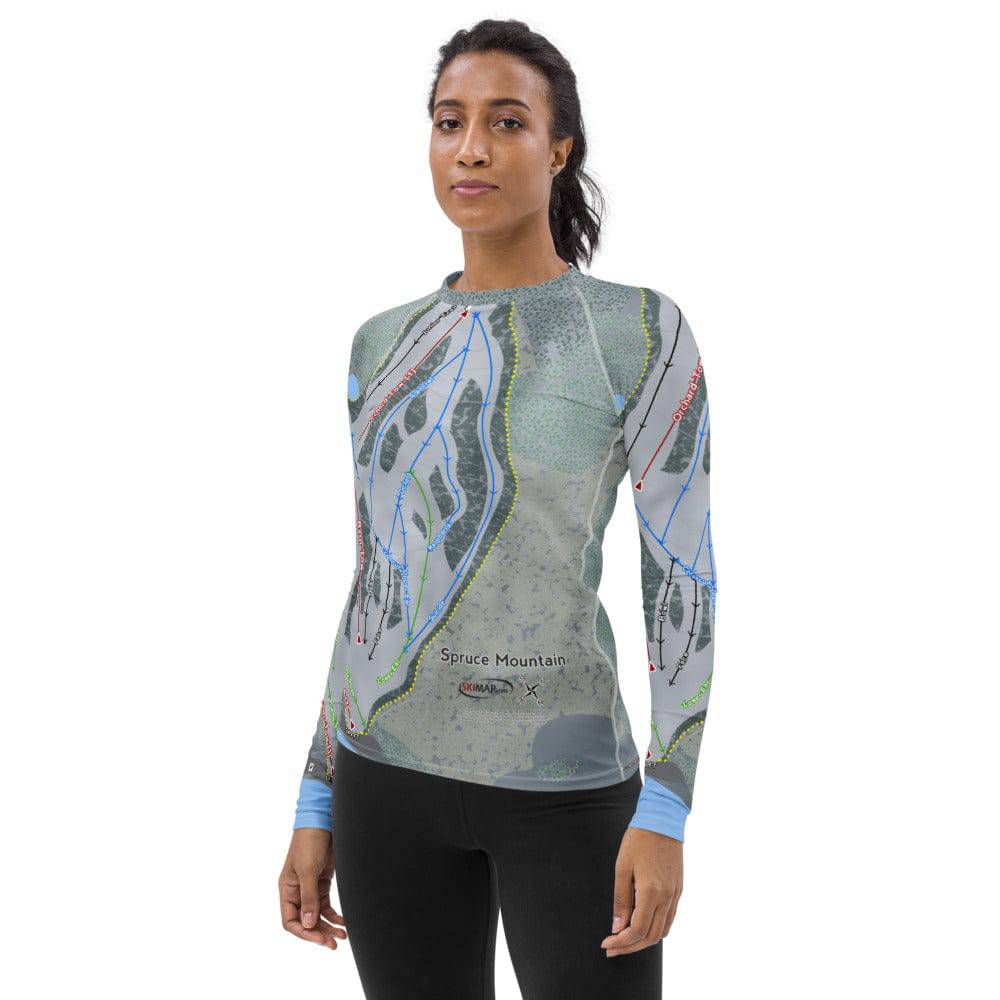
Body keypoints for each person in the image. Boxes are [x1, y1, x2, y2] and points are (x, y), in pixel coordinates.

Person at [278, 18, 717, 1000]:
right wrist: (316, 792)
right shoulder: (380, 344)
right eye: (450, 121)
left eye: (506, 121)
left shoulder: (637, 332)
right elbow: (376, 582)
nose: (470, 147)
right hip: (385, 784)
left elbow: (681, 577)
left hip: (568, 793)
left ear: (559, 149)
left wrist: (667, 802)